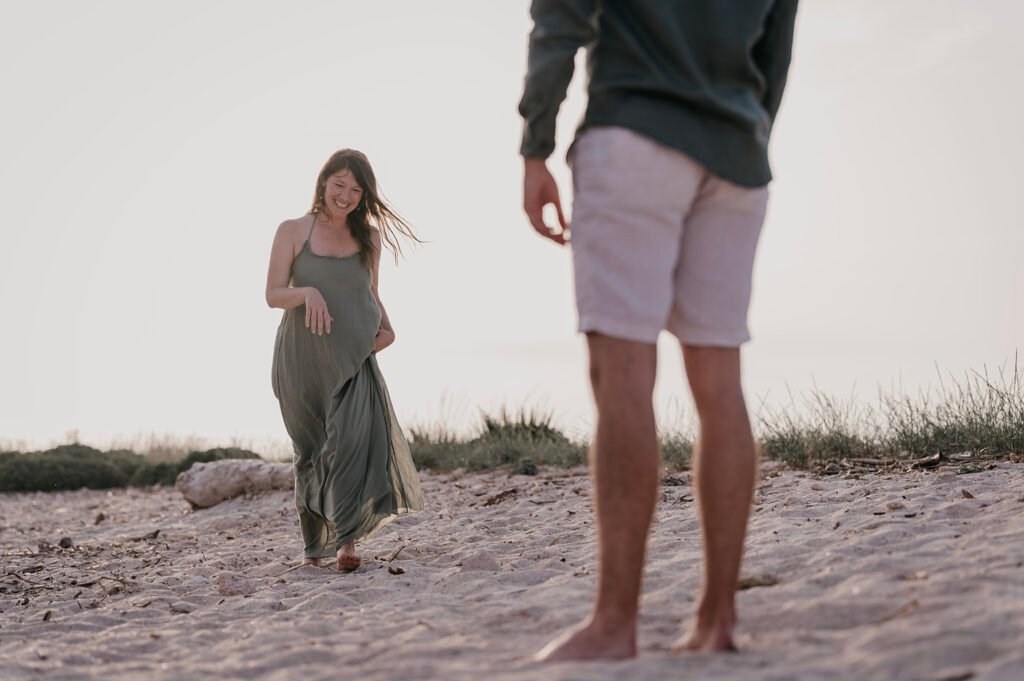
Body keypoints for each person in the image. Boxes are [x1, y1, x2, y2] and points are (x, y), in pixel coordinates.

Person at [518, 0, 799, 661]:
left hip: (635, 135)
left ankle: (615, 622)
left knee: (623, 377)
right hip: (736, 152)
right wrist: (746, 131)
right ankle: (718, 615)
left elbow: (560, 14)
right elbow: (776, 47)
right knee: (719, 380)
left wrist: (536, 145)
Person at [265, 149, 424, 572]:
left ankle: (347, 541)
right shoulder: (293, 231)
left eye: (356, 189)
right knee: (311, 452)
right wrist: (307, 293)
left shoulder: (368, 238)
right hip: (302, 360)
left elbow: (369, 294)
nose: (346, 196)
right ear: (323, 183)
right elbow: (272, 295)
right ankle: (315, 546)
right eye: (340, 185)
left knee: (350, 444)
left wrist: (387, 329)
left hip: (354, 357)